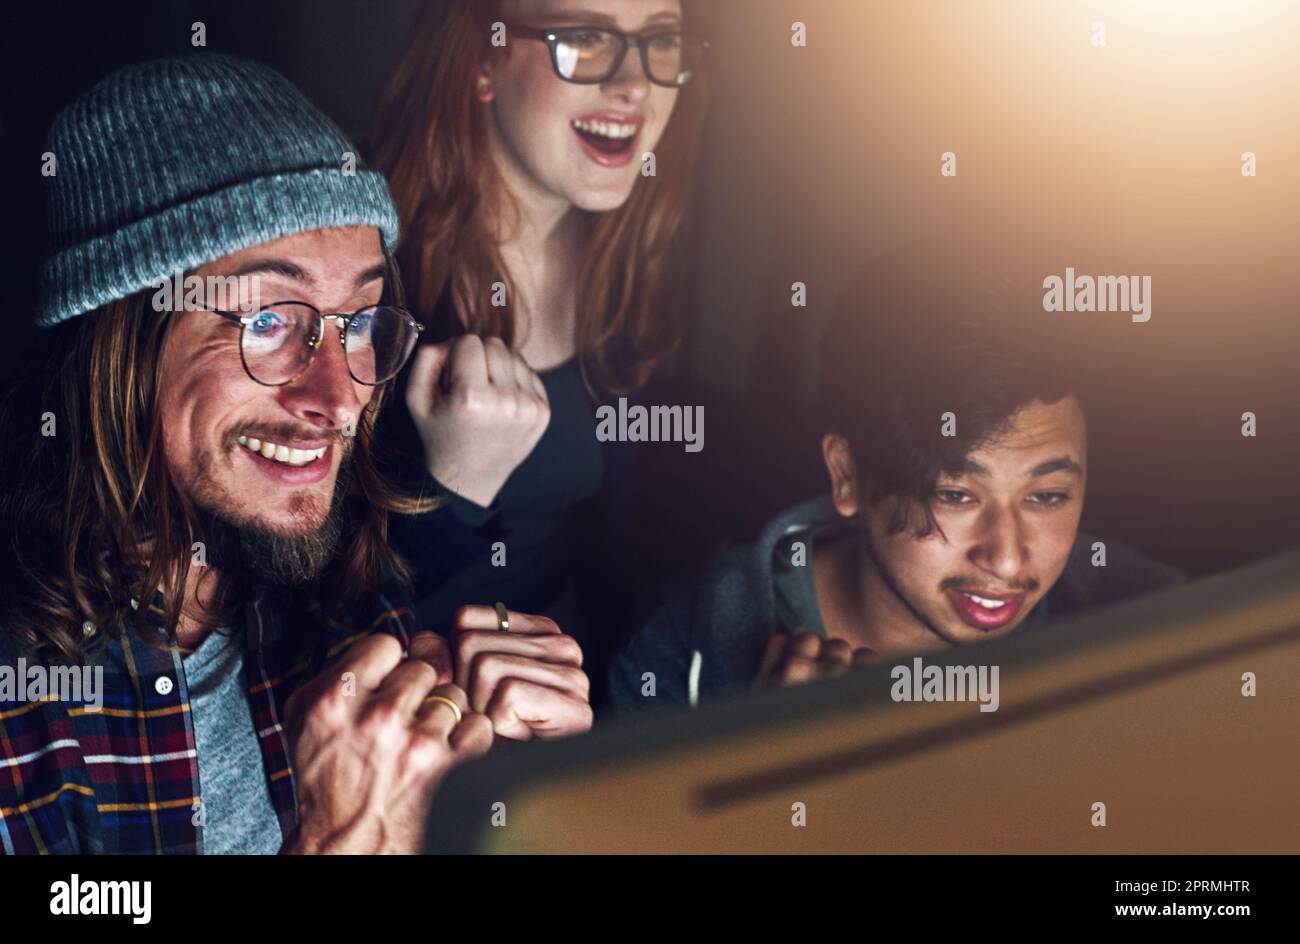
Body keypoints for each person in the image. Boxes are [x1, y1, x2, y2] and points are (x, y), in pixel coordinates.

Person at [0, 53, 589, 856]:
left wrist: (522, 812)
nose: (340, 398)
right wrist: (345, 841)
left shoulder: (342, 603)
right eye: (269, 322)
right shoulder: (25, 707)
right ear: (117, 340)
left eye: (359, 324)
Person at [610, 248, 1186, 707]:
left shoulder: (1155, 625)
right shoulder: (683, 654)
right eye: (956, 495)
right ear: (846, 475)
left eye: (1048, 496)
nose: (1008, 560)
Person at [367, 0, 711, 697]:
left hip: (569, 707)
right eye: (584, 39)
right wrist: (452, 491)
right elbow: (293, 615)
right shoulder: (366, 281)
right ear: (483, 61)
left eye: (661, 41)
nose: (634, 86)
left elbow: (603, 558)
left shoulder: (627, 271)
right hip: (410, 720)